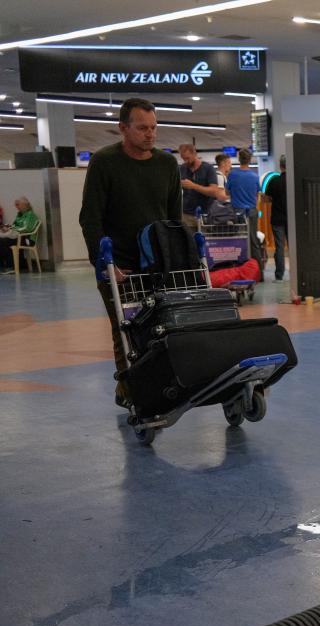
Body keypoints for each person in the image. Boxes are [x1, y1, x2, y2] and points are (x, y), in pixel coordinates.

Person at [79, 98, 182, 408]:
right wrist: (103, 263)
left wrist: (176, 259)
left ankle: (155, 385)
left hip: (157, 263)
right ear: (123, 128)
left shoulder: (166, 164)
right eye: (142, 128)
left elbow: (174, 218)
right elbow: (90, 218)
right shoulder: (104, 162)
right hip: (119, 266)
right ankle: (132, 393)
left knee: (161, 327)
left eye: (153, 128)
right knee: (125, 330)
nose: (150, 134)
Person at [225, 148, 261, 266]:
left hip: (237, 212)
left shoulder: (232, 174)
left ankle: (239, 268)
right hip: (252, 212)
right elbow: (257, 195)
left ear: (239, 159)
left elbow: (226, 193)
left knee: (237, 240)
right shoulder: (255, 176)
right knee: (253, 240)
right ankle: (258, 270)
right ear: (250, 160)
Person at [178, 143, 219, 227]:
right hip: (186, 215)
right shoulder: (182, 168)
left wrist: (193, 186)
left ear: (195, 154)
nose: (185, 161)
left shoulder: (208, 168)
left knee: (204, 235)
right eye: (183, 159)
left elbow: (214, 192)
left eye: (187, 158)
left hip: (205, 214)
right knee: (187, 235)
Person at [262, 155, 288, 281]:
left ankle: (279, 275)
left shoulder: (274, 181)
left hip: (277, 219)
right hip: (292, 219)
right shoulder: (294, 180)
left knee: (279, 247)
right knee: (295, 247)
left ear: (280, 166)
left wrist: (275, 199)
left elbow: (266, 199)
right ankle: (297, 272)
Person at [0, 197, 39, 273]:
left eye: (18, 204)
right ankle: (2, 266)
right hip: (18, 236)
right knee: (2, 241)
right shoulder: (19, 215)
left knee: (3, 242)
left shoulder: (30, 215)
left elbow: (27, 228)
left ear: (25, 205)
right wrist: (8, 228)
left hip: (27, 239)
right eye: (16, 205)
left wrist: (12, 229)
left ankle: (11, 266)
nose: (16, 207)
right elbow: (14, 225)